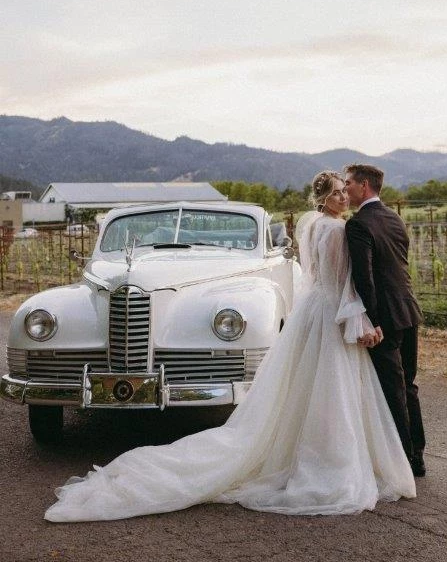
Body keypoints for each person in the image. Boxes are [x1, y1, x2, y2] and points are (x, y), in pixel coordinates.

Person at [44, 171, 415, 523]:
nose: (344, 195)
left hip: (314, 311)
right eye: (337, 191)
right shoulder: (337, 229)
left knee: (310, 388)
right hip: (331, 311)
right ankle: (332, 461)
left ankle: (304, 449)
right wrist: (360, 320)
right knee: (331, 391)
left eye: (345, 190)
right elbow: (343, 282)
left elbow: (318, 279)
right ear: (325, 198)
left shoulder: (313, 224)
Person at [343, 164, 426, 477]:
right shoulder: (394, 218)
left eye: (349, 183)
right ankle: (417, 456)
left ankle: (403, 460)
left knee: (392, 388)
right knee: (409, 385)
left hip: (386, 318)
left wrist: (372, 321)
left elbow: (364, 278)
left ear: (364, 185)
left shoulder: (357, 224)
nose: (346, 188)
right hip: (408, 310)